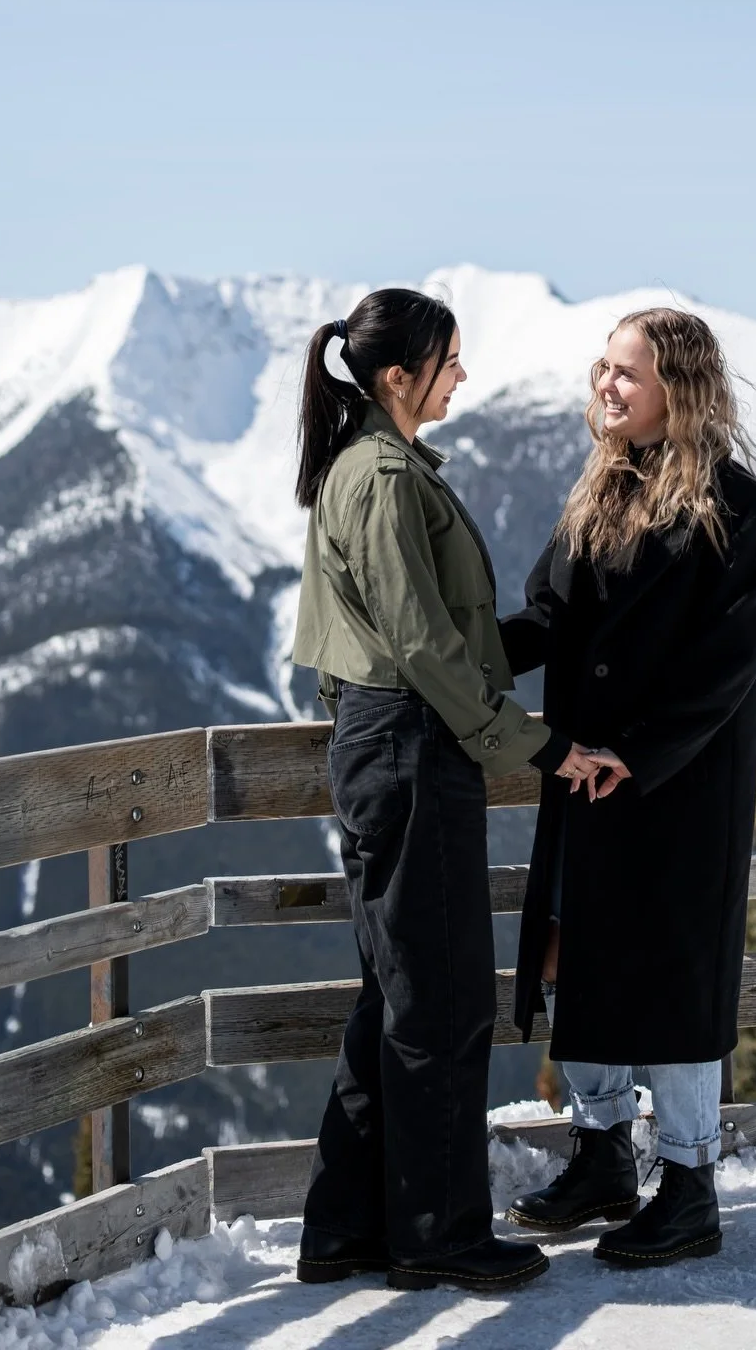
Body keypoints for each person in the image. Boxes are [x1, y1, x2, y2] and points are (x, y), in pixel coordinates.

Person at [290, 288, 600, 1292]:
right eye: (450, 360)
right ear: (398, 376)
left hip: (401, 745)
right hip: (413, 750)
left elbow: (436, 634)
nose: (463, 375)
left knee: (400, 994)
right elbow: (421, 647)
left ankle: (348, 1227)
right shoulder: (382, 478)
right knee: (446, 1000)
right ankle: (437, 1233)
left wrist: (542, 639)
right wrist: (540, 747)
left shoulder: (381, 467)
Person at [501, 307, 756, 1268]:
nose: (607, 387)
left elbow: (727, 667)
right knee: (573, 960)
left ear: (682, 388)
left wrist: (643, 751)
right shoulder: (598, 496)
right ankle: (599, 1159)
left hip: (675, 794)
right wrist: (454, 660)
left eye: (627, 373)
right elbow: (545, 617)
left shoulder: (745, 514)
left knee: (672, 982)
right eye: (604, 369)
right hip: (587, 783)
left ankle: (691, 1186)